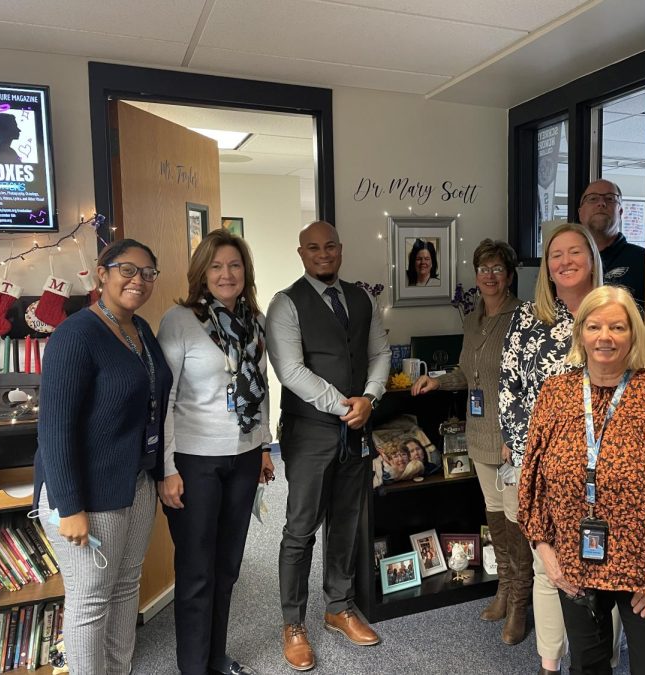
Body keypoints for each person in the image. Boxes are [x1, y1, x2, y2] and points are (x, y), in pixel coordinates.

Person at [518, 286, 645, 675]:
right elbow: (533, 475)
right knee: (587, 665)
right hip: (574, 561)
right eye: (594, 326)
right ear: (580, 334)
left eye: (617, 327)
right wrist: (544, 547)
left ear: (633, 336)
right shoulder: (555, 393)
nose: (604, 337)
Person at [34, 239, 172, 675]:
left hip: (134, 482)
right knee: (91, 599)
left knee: (125, 587)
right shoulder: (75, 335)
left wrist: (158, 471)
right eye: (127, 270)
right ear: (102, 273)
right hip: (87, 494)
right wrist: (69, 506)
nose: (138, 280)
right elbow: (54, 429)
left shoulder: (140, 330)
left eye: (148, 273)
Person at [267, 220, 391, 672]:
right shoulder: (285, 304)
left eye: (331, 246)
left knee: (346, 523)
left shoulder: (361, 298)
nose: (324, 254)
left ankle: (339, 607)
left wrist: (371, 397)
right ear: (301, 253)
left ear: (340, 249)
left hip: (356, 430)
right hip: (309, 433)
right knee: (300, 530)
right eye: (314, 248)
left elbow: (380, 353)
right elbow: (290, 371)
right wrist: (344, 405)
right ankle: (293, 624)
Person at [157, 229, 274, 675]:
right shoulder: (179, 321)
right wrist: (167, 468)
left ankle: (215, 658)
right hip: (194, 461)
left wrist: (261, 446)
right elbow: (164, 401)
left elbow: (260, 392)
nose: (227, 274)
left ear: (246, 271)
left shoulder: (255, 323)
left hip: (243, 458)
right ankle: (193, 667)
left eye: (235, 265)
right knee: (196, 571)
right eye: (217, 266)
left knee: (226, 568)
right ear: (201, 273)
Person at [499, 223, 602, 672]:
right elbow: (510, 393)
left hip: (606, 467)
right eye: (555, 254)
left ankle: (595, 658)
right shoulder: (528, 319)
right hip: (543, 467)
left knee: (600, 567)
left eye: (574, 251)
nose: (564, 261)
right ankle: (549, 662)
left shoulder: (616, 311)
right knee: (548, 565)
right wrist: (535, 459)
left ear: (592, 257)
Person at [411, 238, 521, 636]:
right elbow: (464, 374)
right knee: (494, 517)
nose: (489, 276)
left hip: (510, 441)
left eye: (496, 269)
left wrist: (519, 435)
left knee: (515, 522)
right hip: (479, 435)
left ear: (509, 276)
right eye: (483, 269)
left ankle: (519, 605)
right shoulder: (473, 319)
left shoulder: (521, 317)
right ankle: (504, 591)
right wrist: (435, 382)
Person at [578, 179, 645, 312]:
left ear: (620, 212)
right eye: (592, 199)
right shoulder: (568, 261)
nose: (601, 203)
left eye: (610, 199)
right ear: (580, 213)